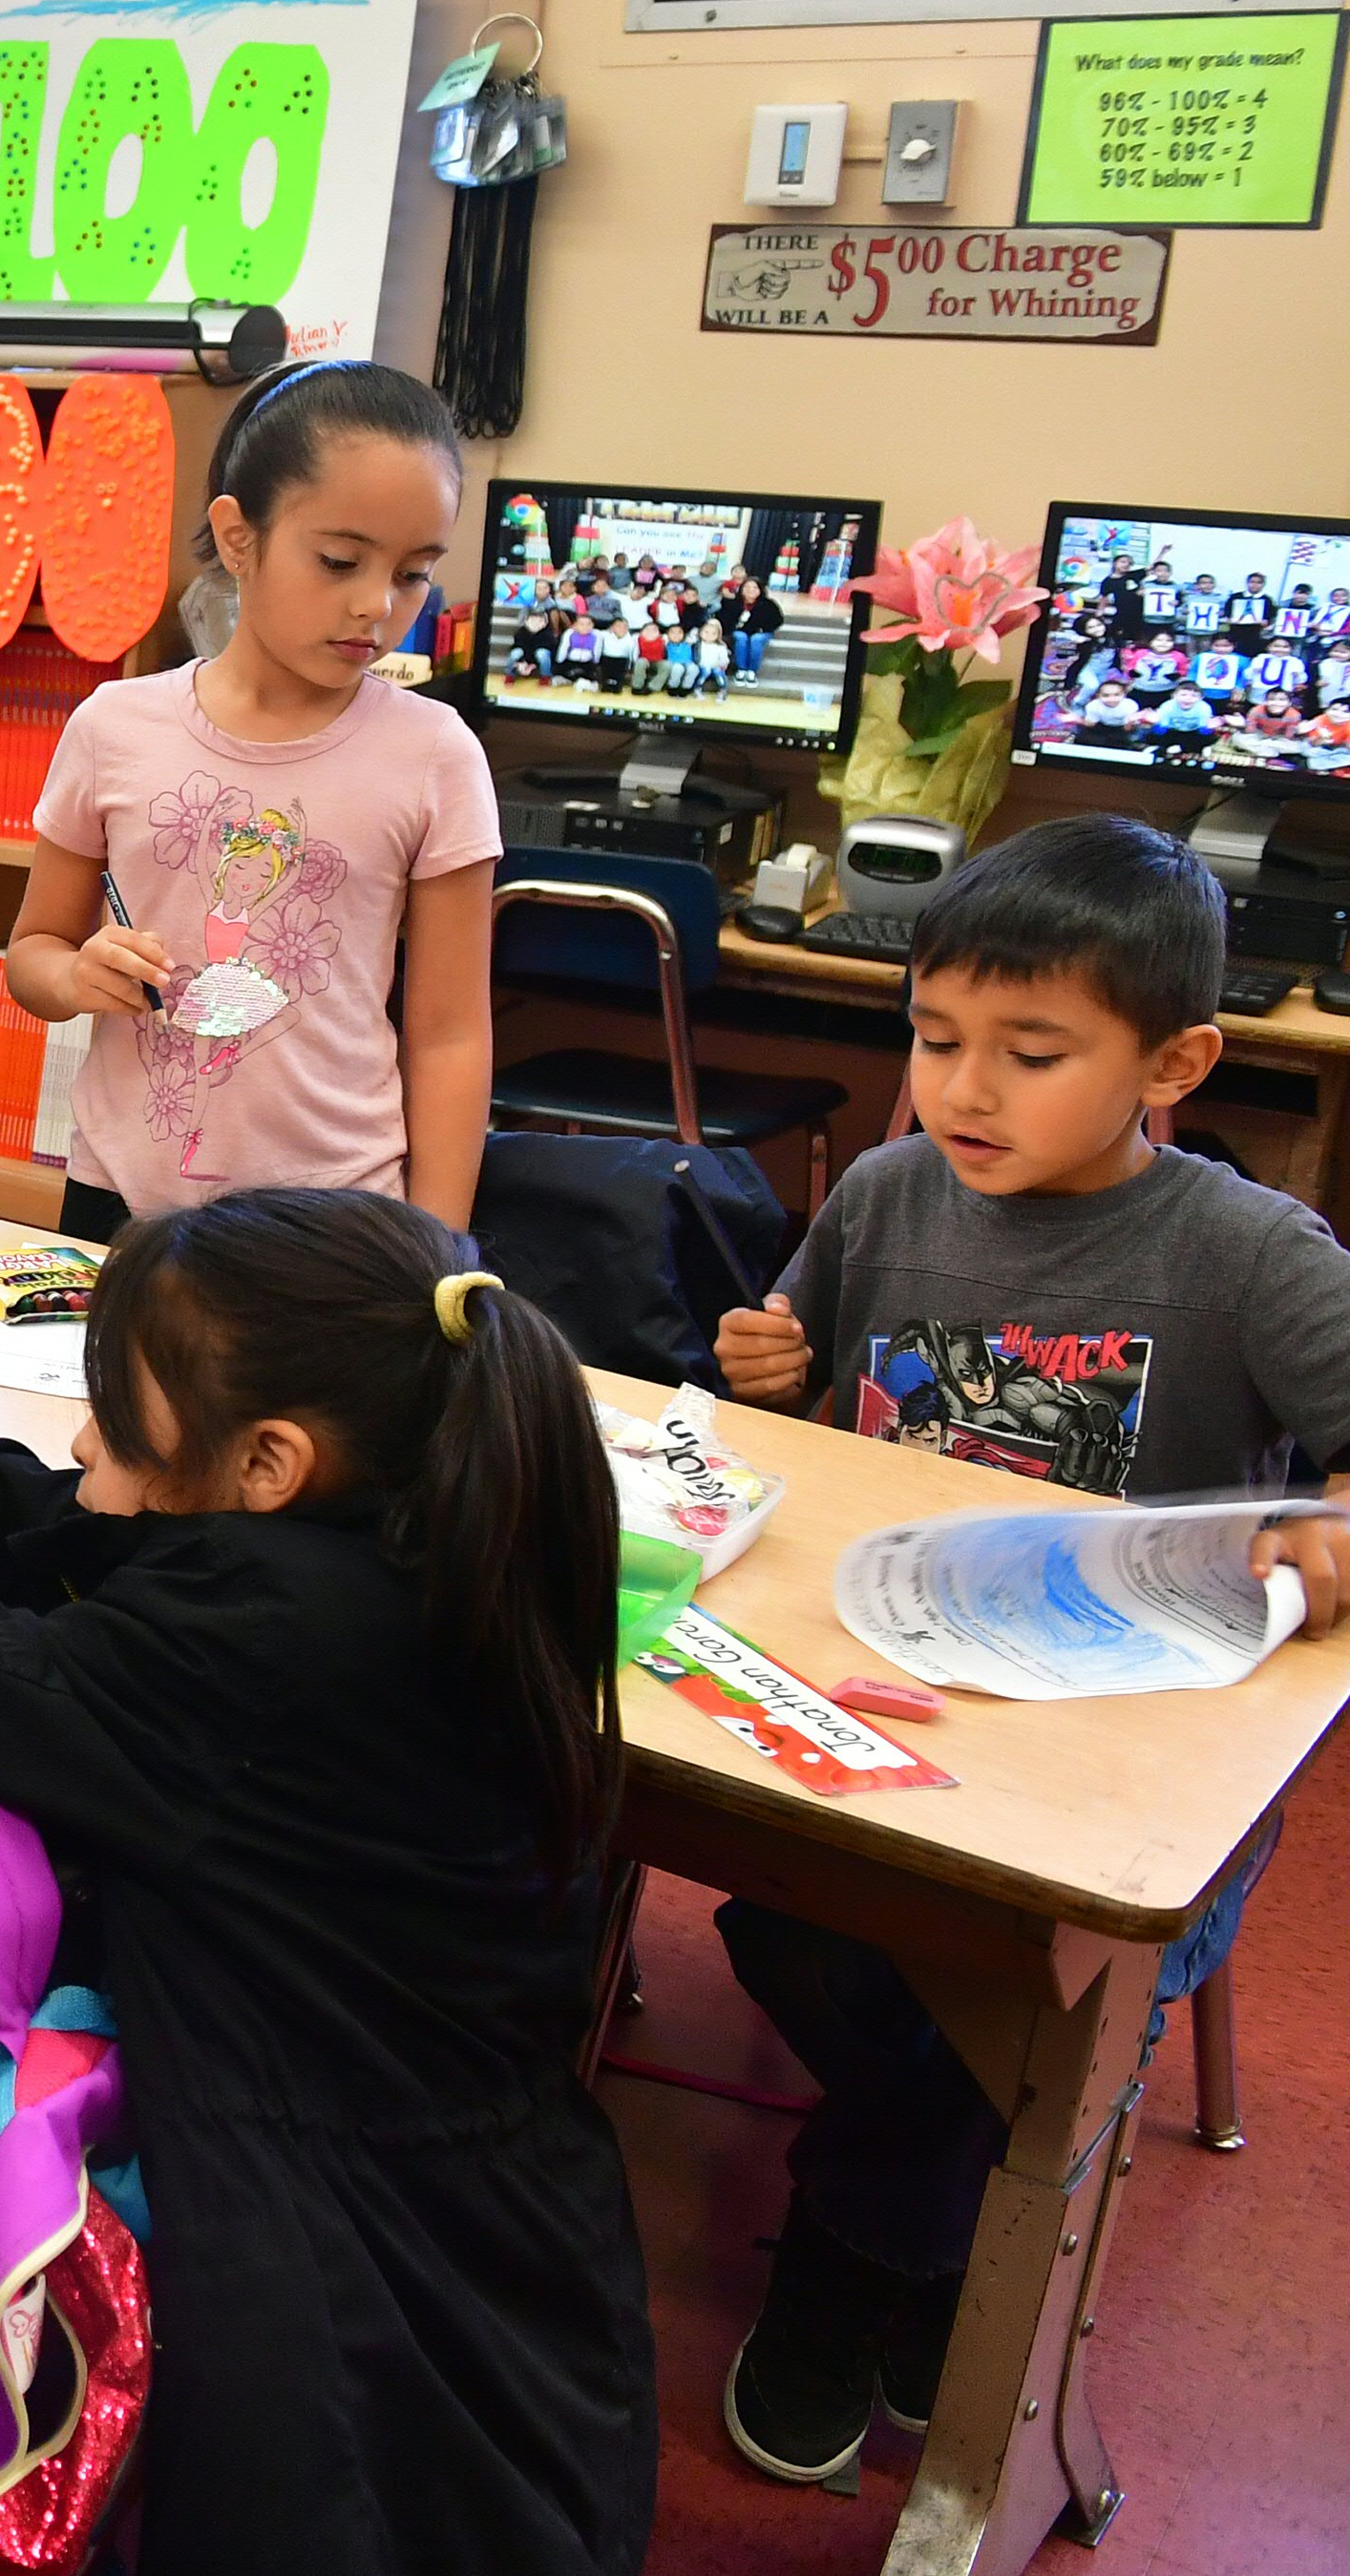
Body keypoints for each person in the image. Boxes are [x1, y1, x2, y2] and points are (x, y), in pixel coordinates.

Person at [0, 1186, 655, 2576]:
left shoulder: (245, 1657)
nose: (84, 1441)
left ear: (268, 1464)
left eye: (119, 1416)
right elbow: (32, 1515)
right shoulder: (419, 1519)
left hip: (352, 2254)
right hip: (479, 2161)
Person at [706, 816, 1350, 2485]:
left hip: (1120, 1766)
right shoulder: (888, 1191)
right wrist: (769, 1370)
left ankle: (854, 2252)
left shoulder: (1248, 1254)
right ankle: (936, 2237)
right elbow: (814, 1414)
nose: (961, 1091)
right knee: (804, 1933)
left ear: (1177, 1062)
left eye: (1031, 1052)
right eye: (933, 1041)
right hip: (884, 1707)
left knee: (1012, 1990)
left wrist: (1329, 1529)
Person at [0, 361, 498, 1240]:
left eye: (416, 573)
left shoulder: (435, 755)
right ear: (237, 536)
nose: (377, 606)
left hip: (340, 1215)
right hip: (125, 1205)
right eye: (340, 561)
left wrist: (442, 1251)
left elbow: (451, 1036)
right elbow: (33, 952)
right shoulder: (115, 726)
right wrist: (76, 974)